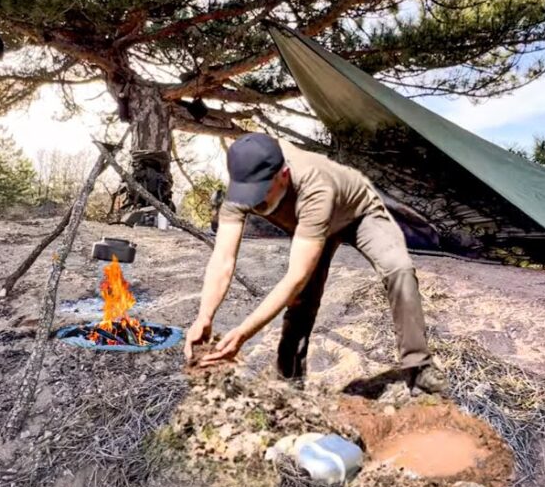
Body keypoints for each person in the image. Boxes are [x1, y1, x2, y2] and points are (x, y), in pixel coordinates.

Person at [183, 133, 447, 393]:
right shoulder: (243, 184)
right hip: (309, 225)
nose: (254, 202)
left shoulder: (314, 185)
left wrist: (243, 333)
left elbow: (295, 276)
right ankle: (289, 381)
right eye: (248, 194)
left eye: (261, 193)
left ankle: (418, 366)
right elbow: (223, 259)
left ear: (283, 175)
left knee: (398, 268)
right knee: (303, 301)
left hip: (356, 213)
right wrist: (204, 316)